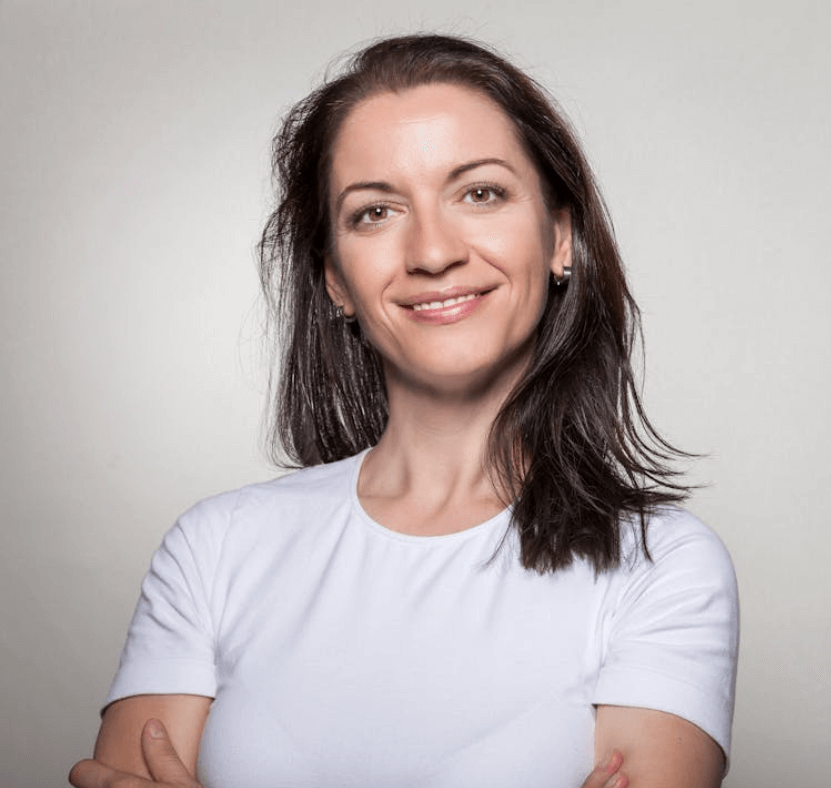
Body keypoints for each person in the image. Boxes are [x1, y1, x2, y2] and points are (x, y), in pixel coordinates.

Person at [69, 34, 738, 788]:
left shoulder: (661, 566)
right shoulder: (216, 549)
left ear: (559, 236)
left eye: (480, 193)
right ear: (335, 282)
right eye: (376, 211)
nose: (432, 251)